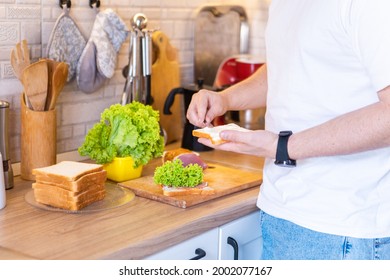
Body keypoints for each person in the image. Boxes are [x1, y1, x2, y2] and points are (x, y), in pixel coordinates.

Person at [186, 0, 390, 260]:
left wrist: (281, 147)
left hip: (342, 230)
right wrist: (225, 99)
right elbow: (285, 67)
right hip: (281, 212)